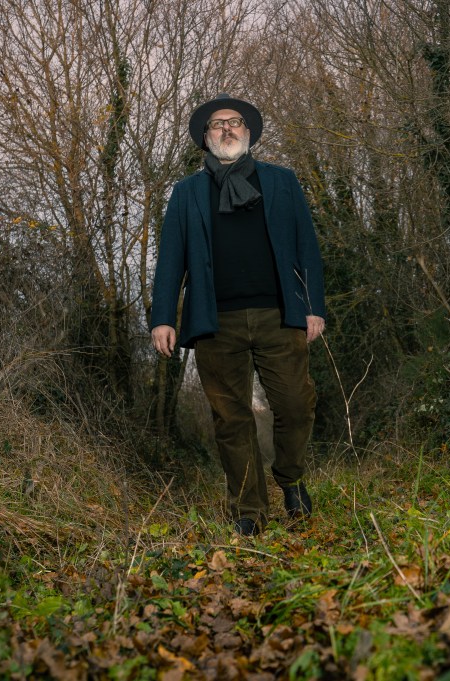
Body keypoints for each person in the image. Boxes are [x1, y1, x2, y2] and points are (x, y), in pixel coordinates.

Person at [149, 93, 326, 536]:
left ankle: (291, 479)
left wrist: (313, 307)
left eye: (235, 122)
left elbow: (306, 246)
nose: (227, 129)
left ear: (248, 133)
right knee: (232, 419)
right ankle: (249, 510)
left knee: (296, 404)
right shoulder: (187, 193)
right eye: (218, 124)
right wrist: (162, 317)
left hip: (279, 313)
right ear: (205, 137)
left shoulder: (281, 182)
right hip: (216, 321)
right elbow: (171, 258)